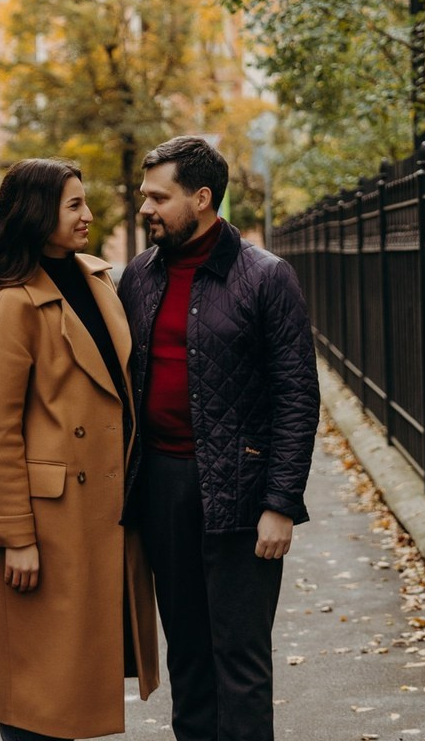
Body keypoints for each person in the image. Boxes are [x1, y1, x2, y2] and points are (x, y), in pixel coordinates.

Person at [119, 135, 320, 741]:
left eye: (159, 196)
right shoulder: (139, 276)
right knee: (189, 658)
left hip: (240, 491)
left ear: (202, 198)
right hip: (163, 490)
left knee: (241, 660)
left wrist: (280, 505)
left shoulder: (265, 277)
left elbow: (297, 396)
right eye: (144, 195)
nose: (145, 208)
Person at [0, 158, 159, 741]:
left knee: (76, 675)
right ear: (37, 213)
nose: (88, 216)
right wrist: (15, 539)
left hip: (103, 509)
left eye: (85, 203)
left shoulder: (97, 279)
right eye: (74, 205)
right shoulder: (12, 305)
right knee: (40, 687)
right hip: (48, 525)